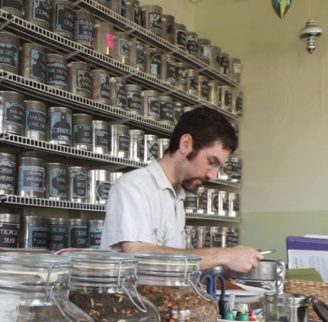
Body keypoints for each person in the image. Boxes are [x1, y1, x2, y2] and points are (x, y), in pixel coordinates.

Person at [100, 106, 262, 272]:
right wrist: (223, 256)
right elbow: (138, 256)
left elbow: (175, 262)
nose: (213, 175)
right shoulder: (134, 186)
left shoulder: (177, 196)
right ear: (186, 144)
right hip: (130, 298)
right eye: (212, 162)